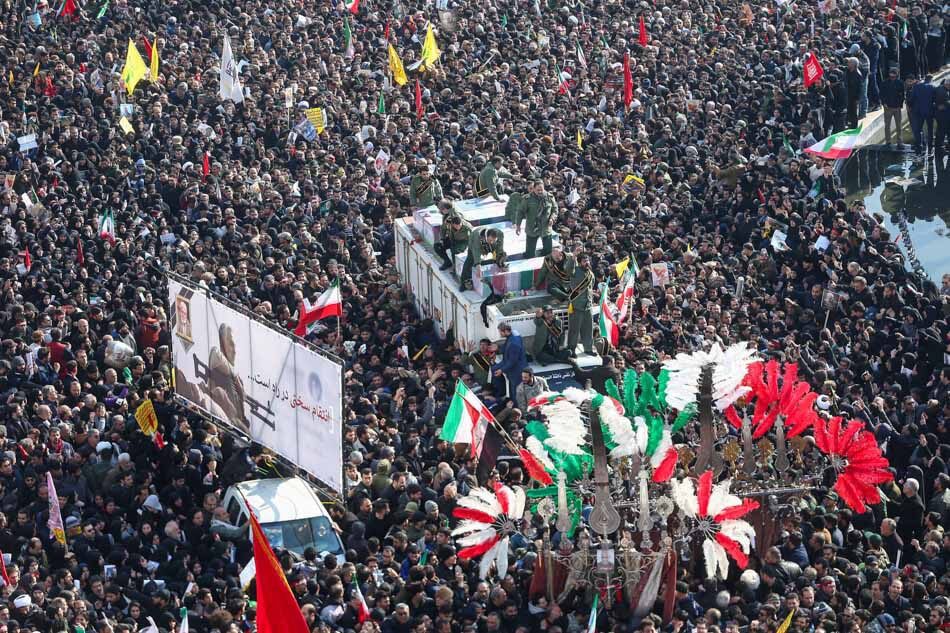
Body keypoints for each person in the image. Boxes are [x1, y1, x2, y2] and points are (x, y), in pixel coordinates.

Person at [511, 180, 557, 258]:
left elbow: (555, 209)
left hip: (545, 227)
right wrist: (518, 225)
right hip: (532, 228)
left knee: (548, 251)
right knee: (530, 254)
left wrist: (552, 218)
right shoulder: (527, 199)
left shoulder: (549, 197)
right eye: (538, 190)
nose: (540, 192)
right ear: (533, 189)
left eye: (541, 190)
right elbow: (520, 212)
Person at [565, 252, 595, 357]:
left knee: (588, 329)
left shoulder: (590, 273)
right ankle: (571, 350)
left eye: (587, 261)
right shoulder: (575, 271)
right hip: (576, 305)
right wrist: (573, 258)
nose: (587, 263)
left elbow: (591, 288)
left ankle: (588, 348)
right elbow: (568, 270)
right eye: (584, 261)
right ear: (579, 263)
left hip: (588, 306)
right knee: (574, 330)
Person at [459, 227, 506, 291]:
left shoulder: (500, 234)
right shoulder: (476, 237)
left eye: (493, 240)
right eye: (490, 240)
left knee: (501, 256)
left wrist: (501, 261)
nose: (491, 242)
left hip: (489, 246)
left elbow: (499, 249)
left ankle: (500, 270)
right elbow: (476, 252)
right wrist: (478, 266)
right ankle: (464, 282)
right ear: (486, 237)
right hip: (473, 246)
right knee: (470, 260)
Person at [492, 323, 526, 401]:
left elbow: (512, 361)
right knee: (493, 369)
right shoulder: (513, 335)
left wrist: (501, 370)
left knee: (515, 391)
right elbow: (505, 347)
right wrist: (497, 350)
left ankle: (517, 408)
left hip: (516, 370)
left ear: (506, 331)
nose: (500, 334)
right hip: (509, 363)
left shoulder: (514, 343)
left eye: (500, 332)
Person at [908, 74, 936, 150]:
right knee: (930, 128)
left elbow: (912, 98)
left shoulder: (917, 86)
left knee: (919, 129)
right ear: (931, 79)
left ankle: (919, 144)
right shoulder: (933, 87)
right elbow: (935, 100)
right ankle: (930, 144)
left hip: (918, 111)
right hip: (929, 111)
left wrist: (910, 107)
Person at [880, 68, 906, 146]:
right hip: (887, 108)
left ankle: (900, 141)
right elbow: (881, 94)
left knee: (899, 125)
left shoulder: (900, 83)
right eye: (891, 75)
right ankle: (888, 141)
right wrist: (884, 103)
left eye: (894, 76)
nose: (892, 77)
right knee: (887, 125)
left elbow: (902, 95)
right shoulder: (884, 83)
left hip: (897, 107)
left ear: (896, 75)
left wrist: (900, 105)